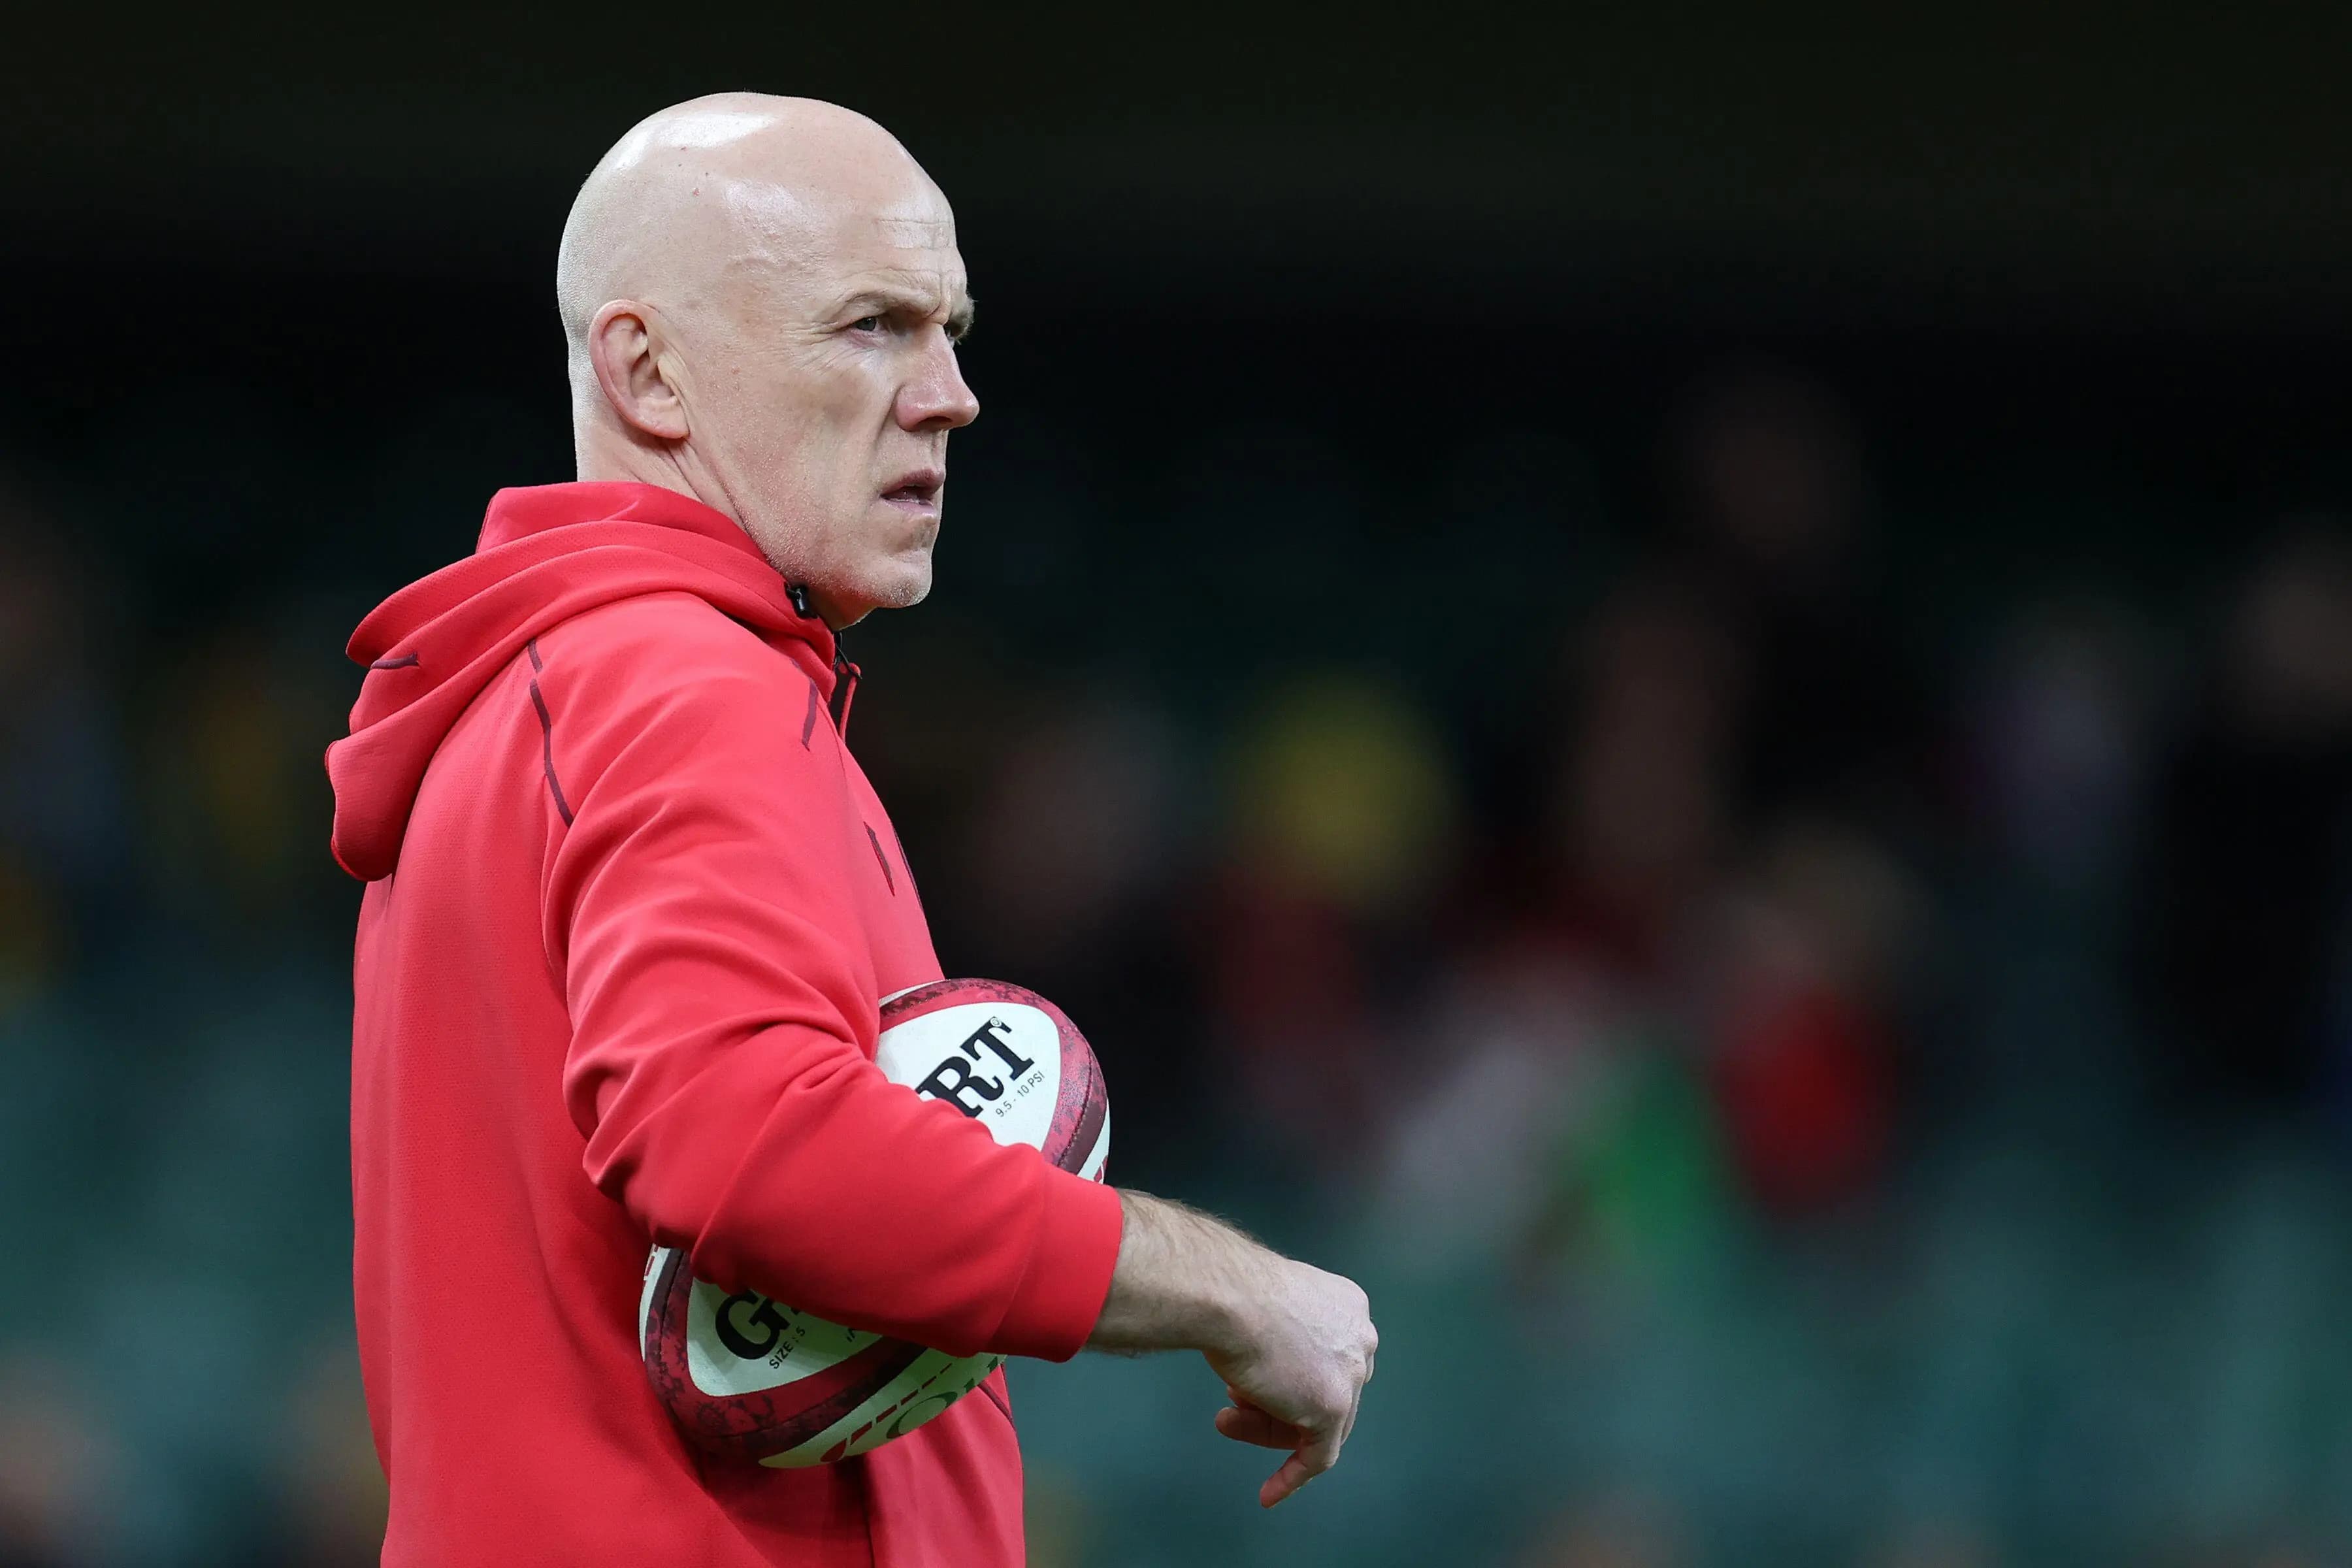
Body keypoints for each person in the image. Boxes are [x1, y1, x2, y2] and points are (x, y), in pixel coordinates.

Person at [325, 94, 1375, 1567]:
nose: (951, 393)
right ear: (648, 373)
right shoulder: (676, 676)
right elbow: (747, 1147)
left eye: (951, 330)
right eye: (874, 326)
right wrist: (1233, 1289)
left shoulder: (545, 697)